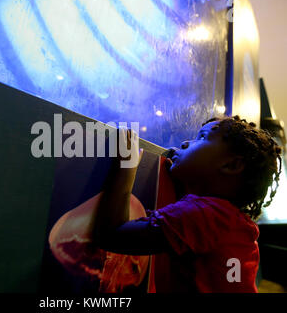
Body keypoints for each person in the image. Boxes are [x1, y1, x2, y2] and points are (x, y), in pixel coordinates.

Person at [91, 115, 282, 292]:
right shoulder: (232, 223)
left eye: (202, 138)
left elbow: (111, 235)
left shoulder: (203, 217)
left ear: (231, 165)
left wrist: (126, 165)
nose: (185, 143)